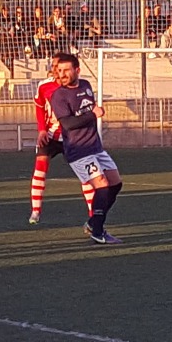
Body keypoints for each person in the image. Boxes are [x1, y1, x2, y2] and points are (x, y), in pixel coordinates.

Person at [48, 53, 124, 244]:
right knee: (102, 186)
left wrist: (93, 112)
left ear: (77, 70)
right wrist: (93, 114)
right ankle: (98, 232)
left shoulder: (86, 85)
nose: (62, 74)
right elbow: (67, 124)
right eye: (59, 70)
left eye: (66, 70)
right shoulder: (59, 95)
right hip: (78, 150)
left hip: (95, 147)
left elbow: (88, 109)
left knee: (115, 184)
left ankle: (92, 223)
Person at [28, 69, 95, 225]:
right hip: (50, 135)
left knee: (85, 175)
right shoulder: (44, 86)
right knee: (40, 168)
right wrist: (42, 130)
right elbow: (39, 107)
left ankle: (93, 215)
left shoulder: (79, 87)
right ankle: (35, 211)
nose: (59, 73)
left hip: (73, 137)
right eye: (56, 69)